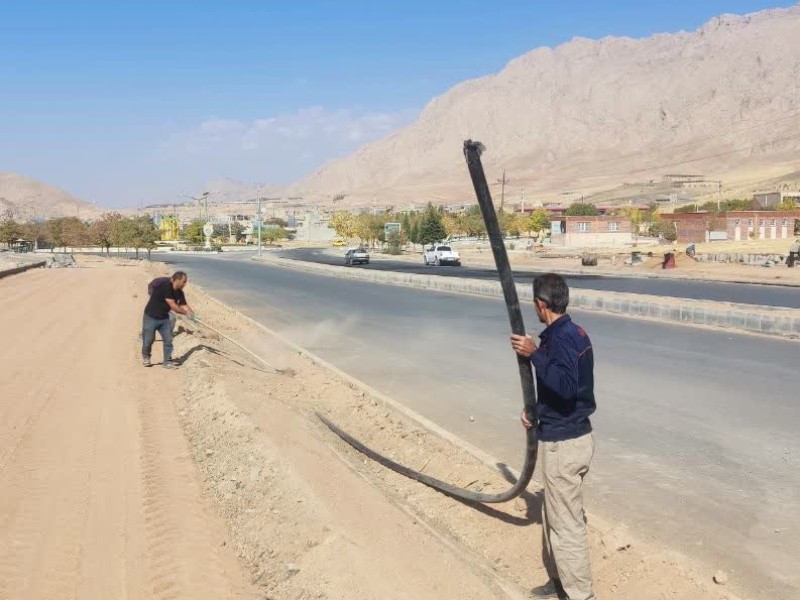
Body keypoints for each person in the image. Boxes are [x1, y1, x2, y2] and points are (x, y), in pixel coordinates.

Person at [510, 273, 596, 600]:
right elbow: (560, 395)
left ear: (540, 304)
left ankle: (581, 596)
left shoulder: (561, 340)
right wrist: (535, 412)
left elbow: (565, 386)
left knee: (566, 526)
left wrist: (533, 353)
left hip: (565, 445)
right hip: (569, 436)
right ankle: (559, 582)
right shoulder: (568, 333)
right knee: (554, 515)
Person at [142, 271, 195, 368]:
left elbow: (183, 304)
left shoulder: (179, 292)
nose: (185, 284)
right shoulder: (166, 287)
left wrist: (192, 314)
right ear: (178, 280)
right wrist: (186, 313)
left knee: (168, 340)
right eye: (184, 281)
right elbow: (173, 306)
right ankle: (146, 356)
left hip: (164, 318)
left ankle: (167, 362)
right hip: (151, 317)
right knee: (148, 340)